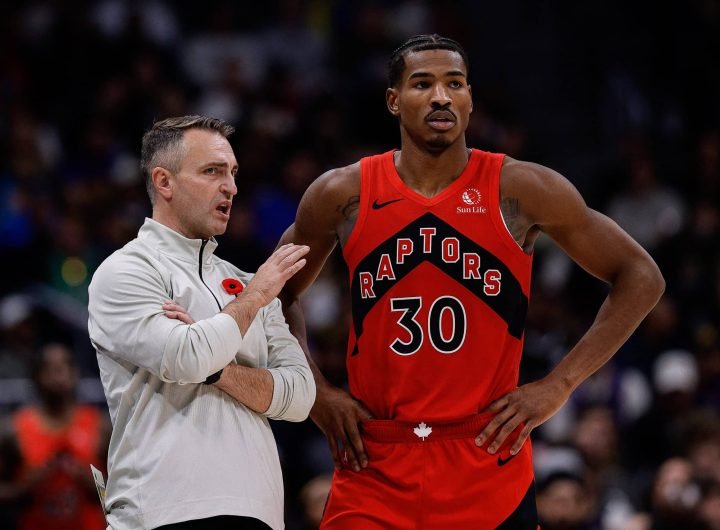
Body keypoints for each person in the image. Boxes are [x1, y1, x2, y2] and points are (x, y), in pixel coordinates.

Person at [276, 34, 665, 529]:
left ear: (470, 99)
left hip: (487, 456)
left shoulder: (520, 188)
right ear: (394, 101)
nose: (441, 96)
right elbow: (275, 294)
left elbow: (641, 276)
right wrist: (315, 391)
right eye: (423, 84)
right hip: (374, 462)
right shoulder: (342, 193)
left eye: (454, 83)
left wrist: (559, 385)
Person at [87, 115, 316, 530]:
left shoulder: (246, 283)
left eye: (232, 173)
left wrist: (216, 368)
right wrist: (257, 299)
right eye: (212, 171)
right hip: (161, 512)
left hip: (260, 512)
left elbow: (300, 396)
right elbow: (188, 357)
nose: (230, 186)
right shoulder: (125, 271)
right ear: (164, 182)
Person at [0, 342, 109, 530]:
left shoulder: (100, 426)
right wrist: (25, 488)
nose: (58, 374)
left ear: (75, 373)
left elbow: (121, 491)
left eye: (63, 367)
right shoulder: (13, 430)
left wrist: (91, 483)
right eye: (49, 368)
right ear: (35, 377)